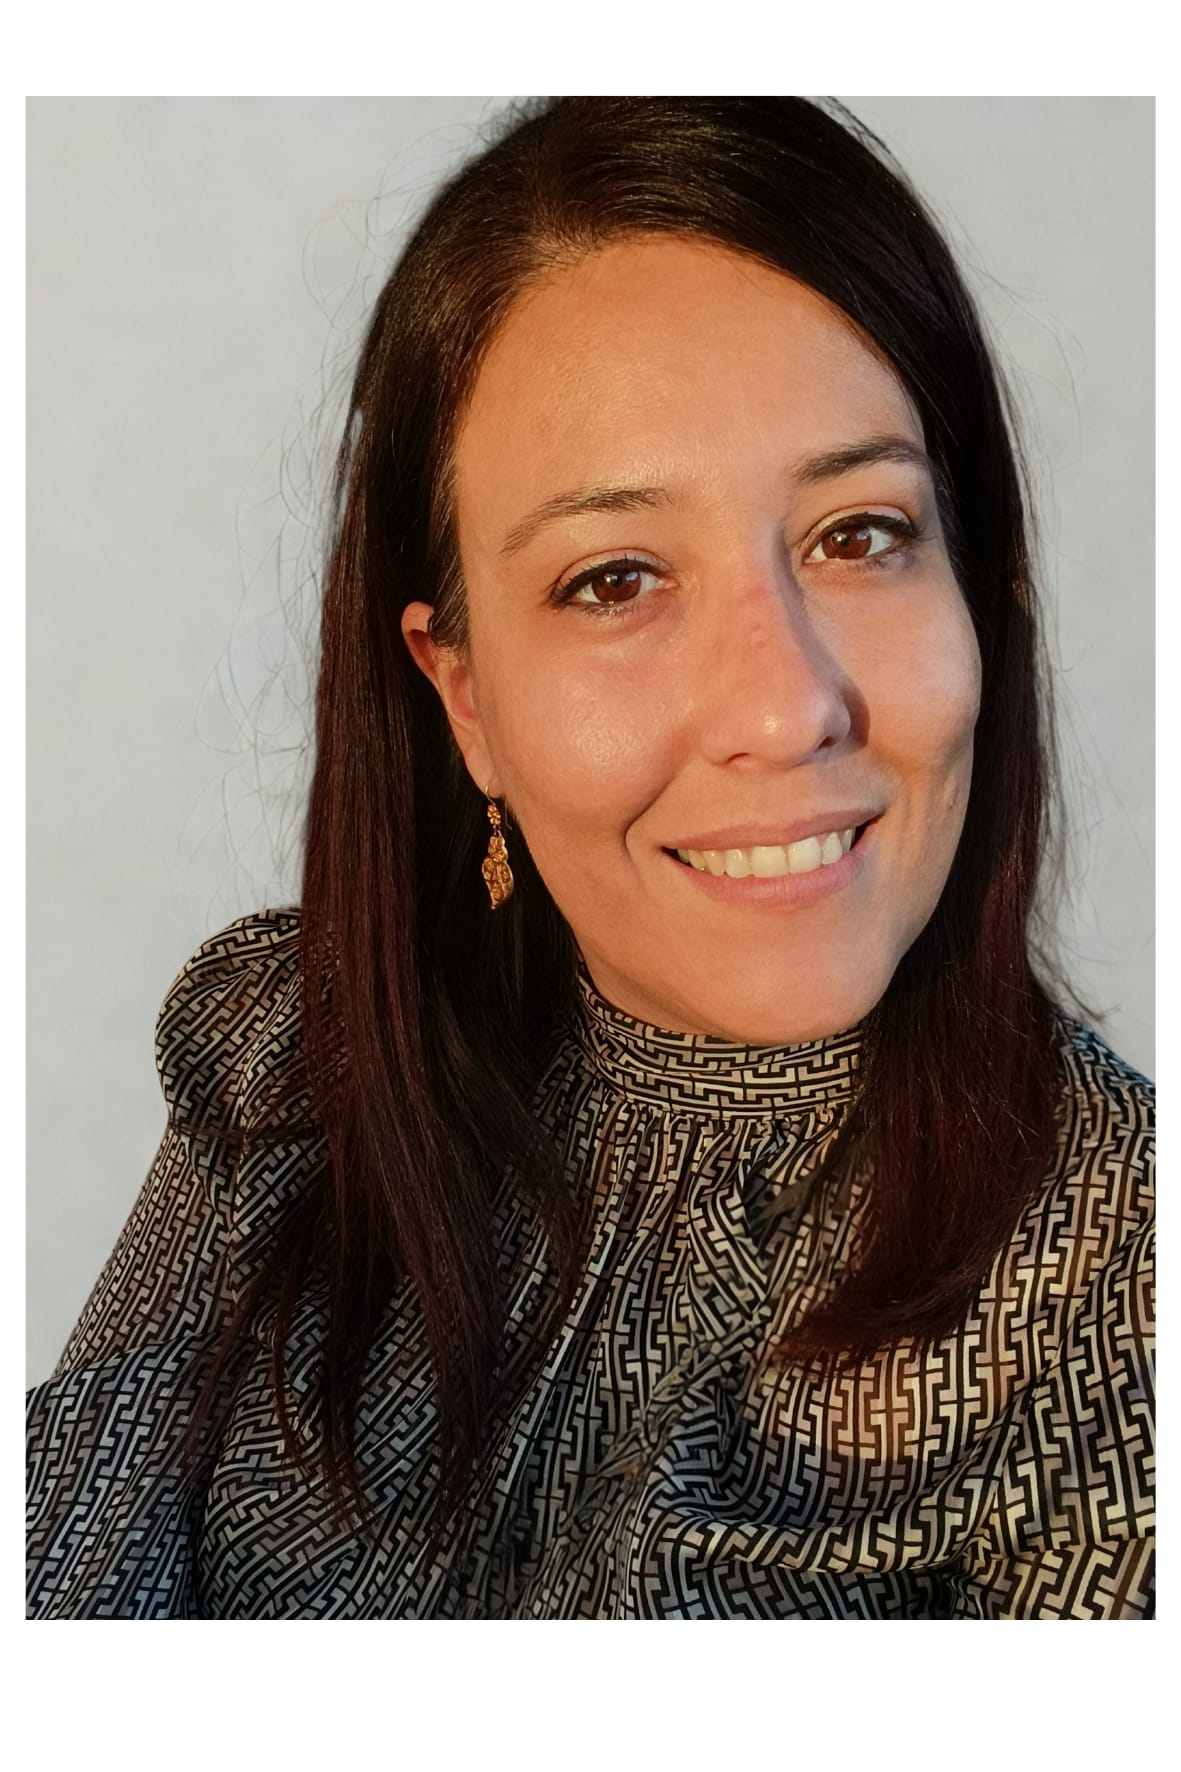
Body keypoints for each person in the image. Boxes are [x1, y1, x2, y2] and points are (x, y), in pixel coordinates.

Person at [26, 96, 1154, 1620]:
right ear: (463, 697)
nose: (785, 706)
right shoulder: (293, 1055)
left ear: (979, 586)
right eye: (614, 579)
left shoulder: (1123, 1280)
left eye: (857, 534)